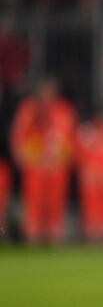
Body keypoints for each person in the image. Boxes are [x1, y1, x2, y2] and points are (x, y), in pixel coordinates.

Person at [10, 77, 77, 244]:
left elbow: (70, 139)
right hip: (35, 166)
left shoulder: (64, 110)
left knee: (55, 205)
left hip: (56, 167)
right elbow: (19, 138)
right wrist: (29, 158)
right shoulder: (29, 109)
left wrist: (60, 158)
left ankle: (54, 240)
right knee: (34, 205)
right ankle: (33, 240)